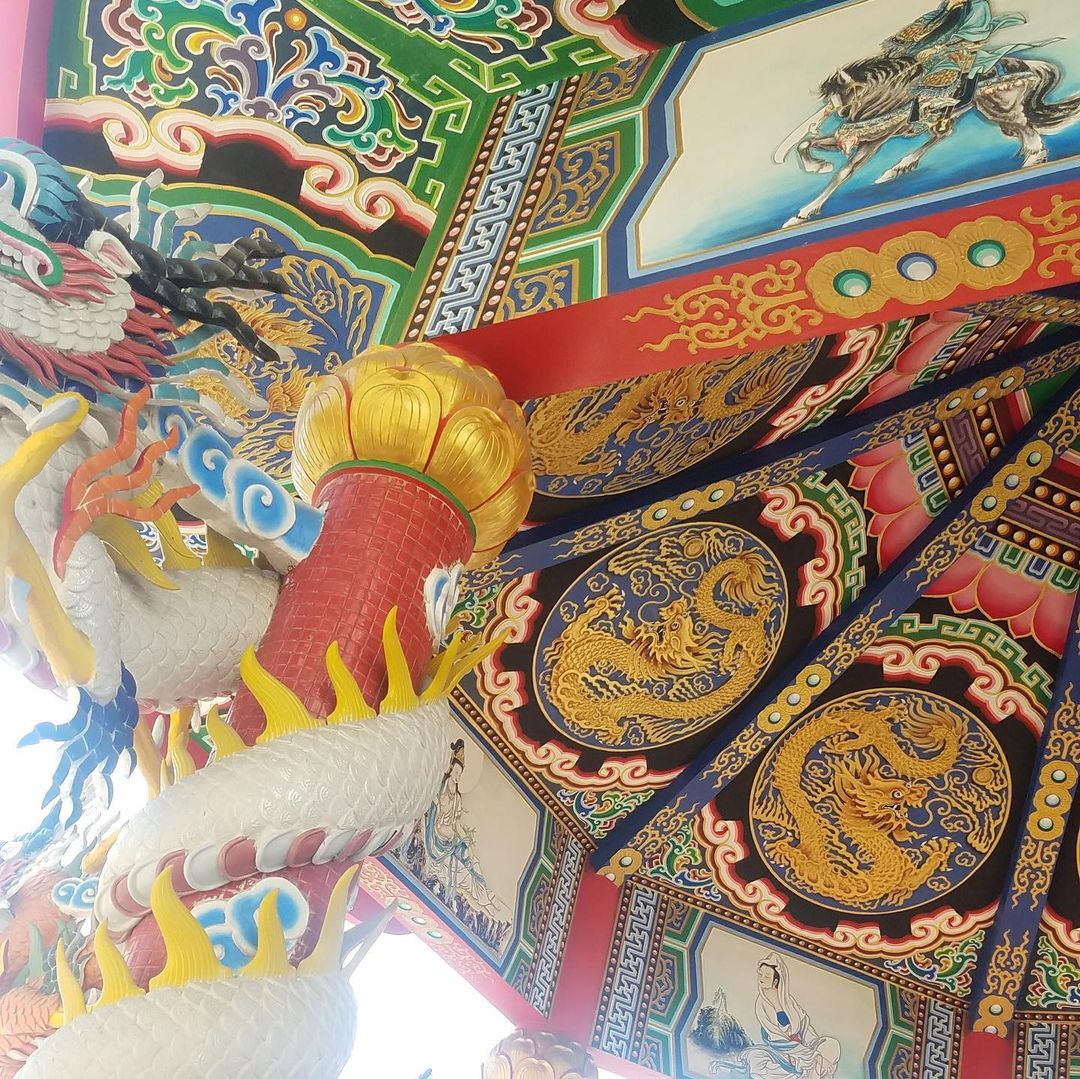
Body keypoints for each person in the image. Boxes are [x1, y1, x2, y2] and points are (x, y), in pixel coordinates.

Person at [743, 954, 841, 1079]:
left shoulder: (788, 1001)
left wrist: (812, 1050)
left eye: (766, 976)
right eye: (760, 974)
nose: (761, 979)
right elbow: (777, 1039)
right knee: (755, 1057)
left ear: (775, 981)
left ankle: (811, 1074)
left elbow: (804, 1025)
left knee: (831, 1044)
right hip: (781, 1051)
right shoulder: (761, 1005)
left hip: (803, 1048)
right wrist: (814, 1056)